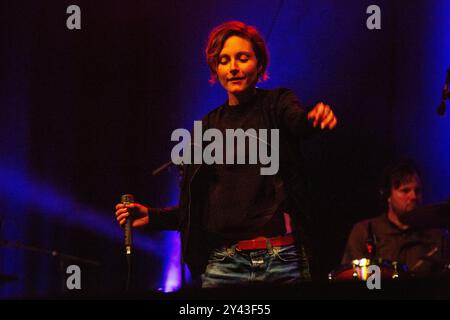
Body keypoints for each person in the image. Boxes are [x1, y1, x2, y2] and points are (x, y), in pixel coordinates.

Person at [115, 21, 337, 288]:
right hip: (224, 265)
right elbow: (201, 208)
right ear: (216, 69)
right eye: (224, 60)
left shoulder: (276, 104)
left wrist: (313, 119)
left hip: (282, 260)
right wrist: (153, 216)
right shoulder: (208, 128)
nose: (233, 67)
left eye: (242, 58)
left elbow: (298, 122)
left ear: (259, 65)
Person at [341, 160, 450, 278]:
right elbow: (349, 278)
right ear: (388, 195)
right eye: (405, 191)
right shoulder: (365, 231)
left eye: (417, 191)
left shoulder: (435, 236)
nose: (413, 196)